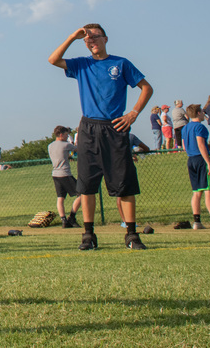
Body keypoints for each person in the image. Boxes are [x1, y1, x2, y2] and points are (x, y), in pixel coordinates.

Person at [48, 23, 153, 251]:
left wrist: (133, 113)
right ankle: (88, 235)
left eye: (95, 37)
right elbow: (53, 60)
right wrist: (72, 37)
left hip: (115, 127)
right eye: (87, 39)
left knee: (124, 184)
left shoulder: (120, 63)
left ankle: (132, 235)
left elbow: (146, 88)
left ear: (106, 39)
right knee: (86, 185)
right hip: (88, 129)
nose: (91, 41)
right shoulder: (82, 64)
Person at [48, 126, 81, 228]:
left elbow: (60, 156)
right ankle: (72, 217)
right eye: (66, 135)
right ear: (61, 134)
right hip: (65, 174)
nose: (68, 137)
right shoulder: (66, 145)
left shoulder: (50, 146)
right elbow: (78, 149)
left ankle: (63, 220)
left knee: (60, 198)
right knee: (82, 194)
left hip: (55, 174)